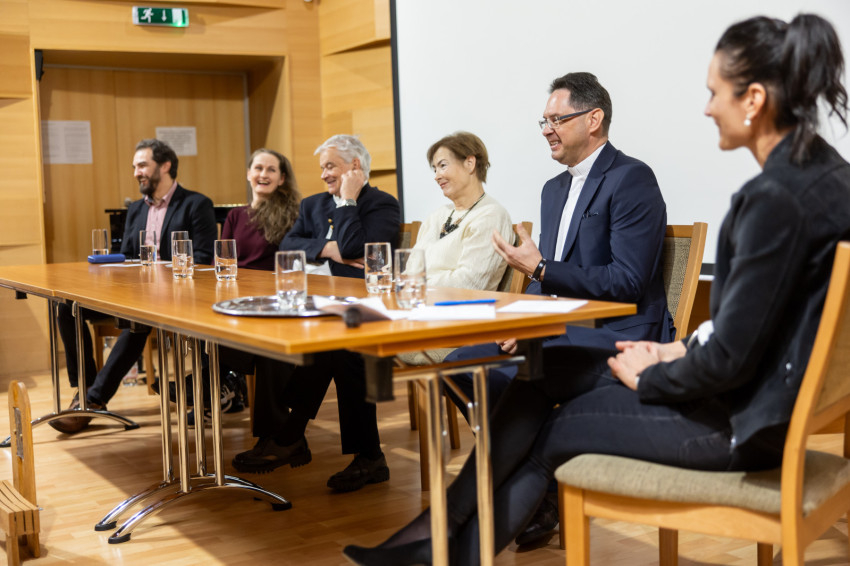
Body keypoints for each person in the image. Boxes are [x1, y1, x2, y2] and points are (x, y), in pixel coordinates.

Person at [343, 13, 850, 565]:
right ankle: (430, 543)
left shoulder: (771, 200)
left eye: (714, 93)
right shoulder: (829, 177)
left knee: (552, 430)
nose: (707, 108)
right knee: (538, 377)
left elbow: (730, 352)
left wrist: (655, 372)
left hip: (742, 423)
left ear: (753, 99)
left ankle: (439, 549)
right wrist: (675, 350)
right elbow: (758, 327)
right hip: (762, 404)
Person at [444, 72, 673, 544]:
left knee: (522, 373)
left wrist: (542, 269)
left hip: (617, 331)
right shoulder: (553, 189)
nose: (547, 129)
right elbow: (547, 278)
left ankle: (533, 492)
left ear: (594, 119)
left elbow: (627, 282)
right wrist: (523, 317)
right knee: (461, 363)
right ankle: (541, 487)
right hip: (563, 327)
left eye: (557, 119)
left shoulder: (632, 178)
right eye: (543, 121)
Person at [233, 135, 402, 495]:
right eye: (322, 167)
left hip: (365, 309)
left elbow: (357, 248)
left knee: (342, 349)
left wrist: (348, 202)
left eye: (330, 166)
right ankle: (299, 438)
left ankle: (294, 437)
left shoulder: (381, 204)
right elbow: (289, 245)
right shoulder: (312, 204)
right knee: (274, 339)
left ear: (355, 166)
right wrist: (329, 249)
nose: (324, 175)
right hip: (314, 305)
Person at [51, 138, 217, 434]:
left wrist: (159, 272)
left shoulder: (196, 204)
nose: (136, 173)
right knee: (66, 307)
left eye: (142, 165)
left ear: (164, 166)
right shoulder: (137, 209)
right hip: (137, 293)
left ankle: (94, 400)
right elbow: (127, 255)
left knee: (135, 322)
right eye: (134, 167)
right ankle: (85, 388)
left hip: (178, 297)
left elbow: (203, 259)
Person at [395, 131, 514, 366]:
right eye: (434, 169)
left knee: (356, 346)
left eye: (442, 165)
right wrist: (417, 283)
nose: (437, 176)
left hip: (461, 325)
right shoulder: (438, 215)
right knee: (349, 342)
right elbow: (409, 273)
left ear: (470, 163)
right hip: (421, 317)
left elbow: (469, 286)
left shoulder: (491, 215)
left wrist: (418, 284)